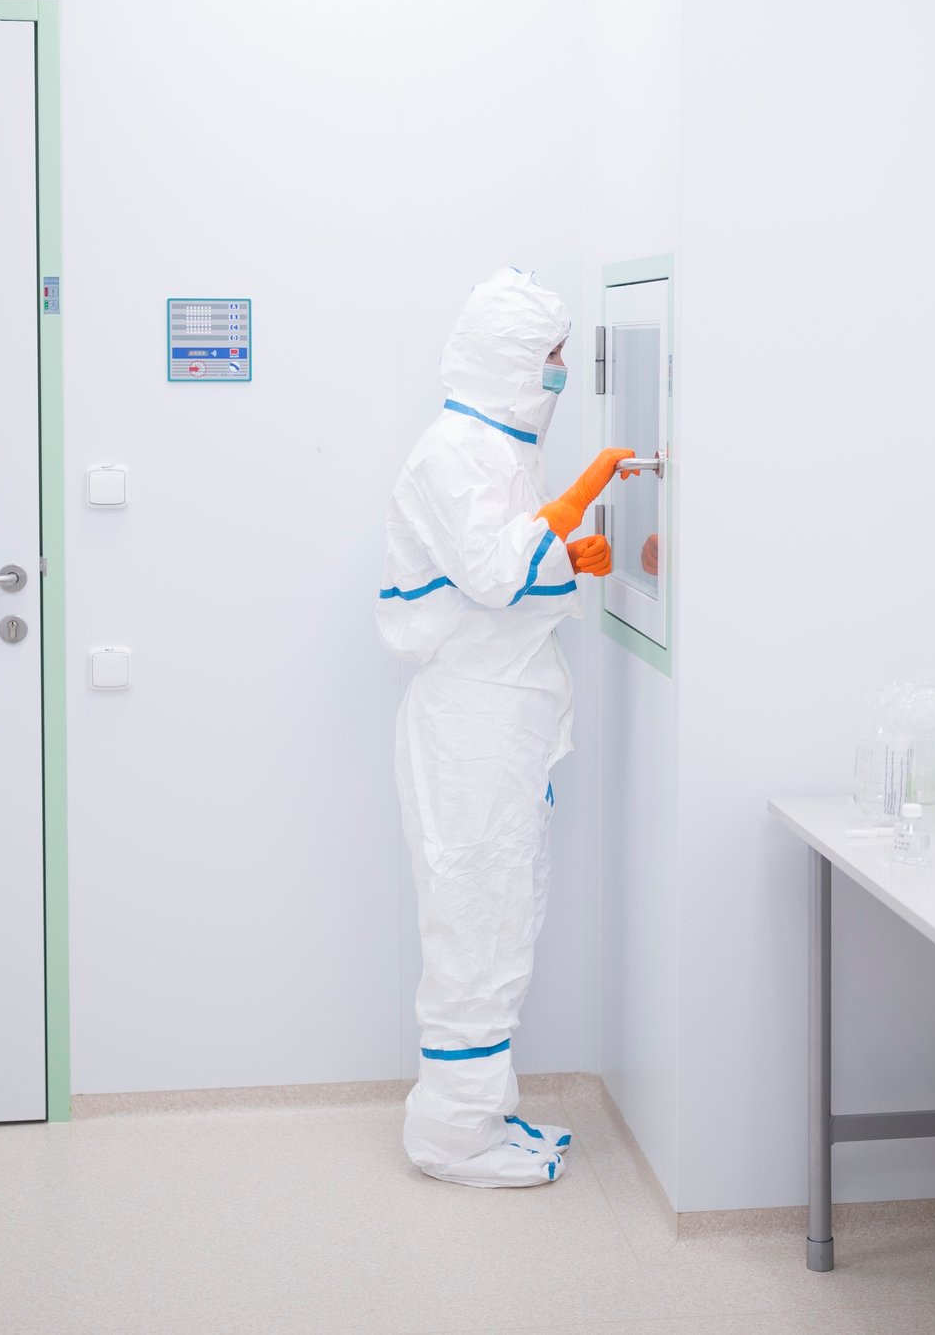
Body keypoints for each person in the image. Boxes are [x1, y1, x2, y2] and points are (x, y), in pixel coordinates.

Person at [377, 268, 632, 1188]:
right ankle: (449, 1137)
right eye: (550, 359)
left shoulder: (494, 447)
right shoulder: (454, 451)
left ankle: (480, 1110)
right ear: (508, 361)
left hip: (504, 722)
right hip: (471, 729)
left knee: (501, 916)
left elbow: (506, 567)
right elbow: (493, 572)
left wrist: (567, 551)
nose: (560, 373)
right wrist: (570, 510)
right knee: (473, 924)